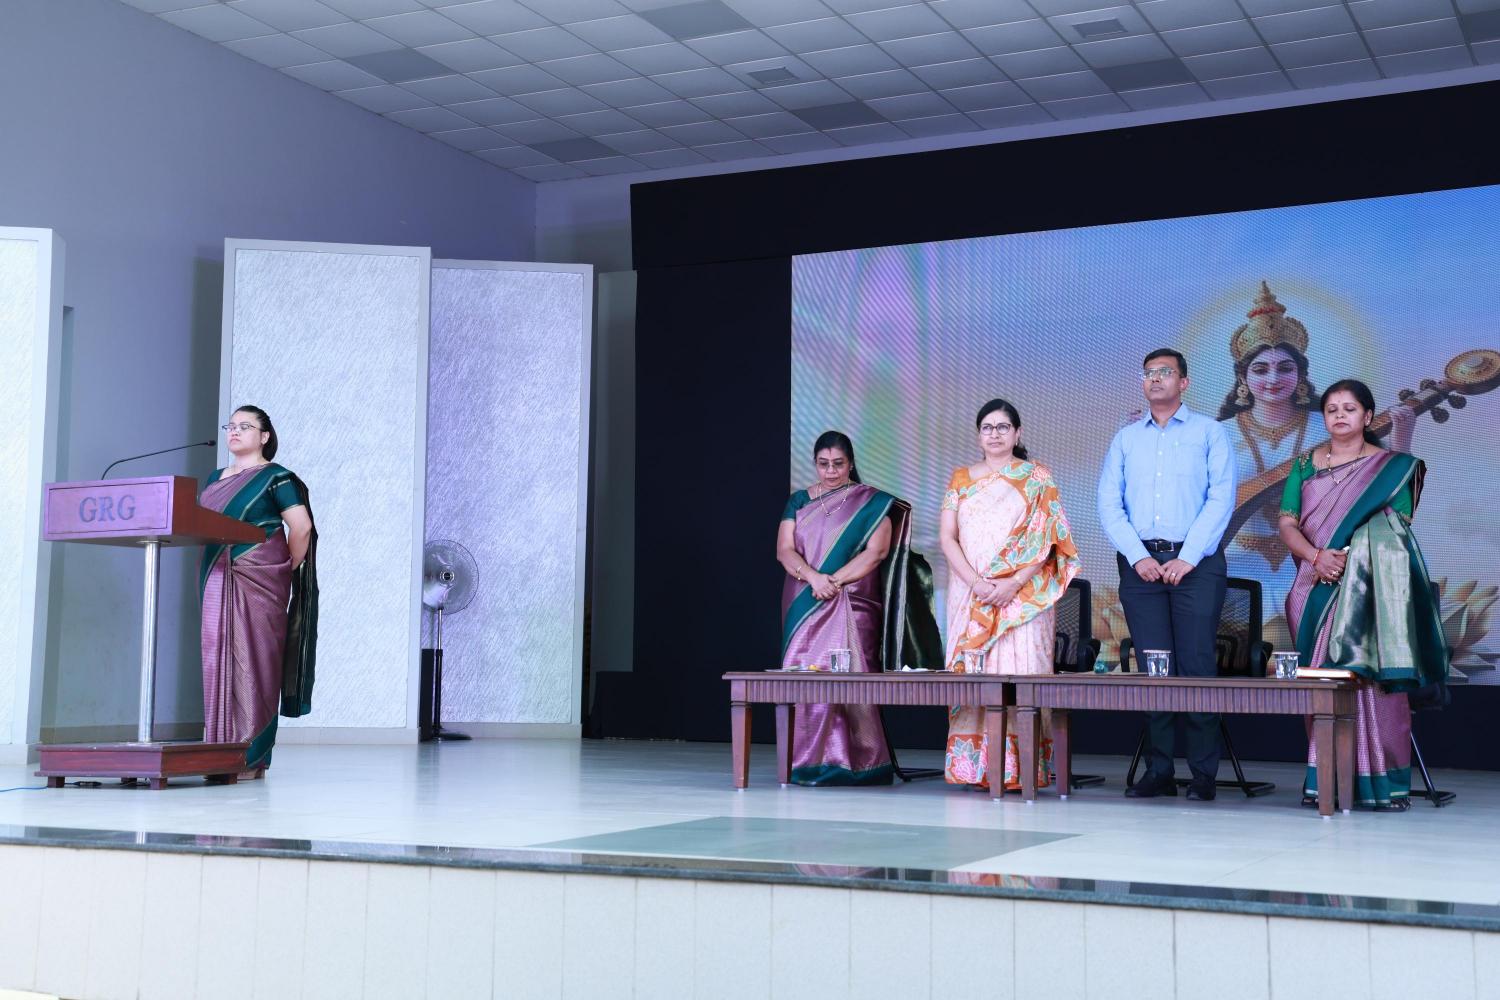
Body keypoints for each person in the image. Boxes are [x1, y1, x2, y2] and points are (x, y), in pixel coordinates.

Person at [1278, 379, 1448, 810]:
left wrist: (1349, 564)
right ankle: (1325, 780)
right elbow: (1287, 524)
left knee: (1372, 682)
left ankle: (1382, 785)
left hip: (1370, 590)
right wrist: (1317, 557)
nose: (1340, 415)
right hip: (1313, 587)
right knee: (1322, 684)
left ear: (1368, 416)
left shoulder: (1393, 467)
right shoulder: (1304, 465)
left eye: (1349, 408)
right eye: (1332, 409)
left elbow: (1396, 526)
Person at [1217, 283, 1413, 641]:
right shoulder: (1217, 435)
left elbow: (1382, 496)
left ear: (1301, 375)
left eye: (1285, 368)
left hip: (1316, 562)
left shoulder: (1329, 428)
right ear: (1243, 378)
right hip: (1238, 565)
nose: (1273, 379)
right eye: (1260, 370)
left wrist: (1402, 437)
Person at [1098, 349, 1236, 801]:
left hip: (1197, 564)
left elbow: (1221, 499)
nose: (1155, 379)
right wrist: (1139, 557)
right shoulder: (1125, 439)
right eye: (1149, 373)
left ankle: (1203, 774)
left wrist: (1188, 557)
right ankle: (1159, 771)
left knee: (1196, 664)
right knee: (1154, 665)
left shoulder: (1209, 433)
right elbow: (1109, 504)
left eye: (1165, 372)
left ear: (1184, 382)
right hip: (1142, 566)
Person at [777, 431, 938, 785]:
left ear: (850, 464)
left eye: (838, 464)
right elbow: (784, 550)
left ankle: (862, 763)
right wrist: (814, 578)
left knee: (850, 679)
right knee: (805, 678)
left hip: (851, 600)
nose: (831, 471)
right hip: (805, 601)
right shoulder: (799, 501)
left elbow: (877, 553)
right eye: (823, 464)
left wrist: (832, 581)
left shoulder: (871, 503)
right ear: (814, 464)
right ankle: (805, 762)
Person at [941, 399, 1080, 791]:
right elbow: (947, 538)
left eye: (1003, 427)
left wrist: (1013, 584)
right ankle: (976, 769)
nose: (995, 434)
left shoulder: (1038, 478)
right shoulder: (961, 478)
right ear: (978, 435)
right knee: (975, 679)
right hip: (971, 595)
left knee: (1024, 677)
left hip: (1024, 599)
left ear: (1017, 433)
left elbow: (1050, 541)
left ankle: (1023, 769)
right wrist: (977, 583)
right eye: (987, 427)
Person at [200, 405, 318, 777]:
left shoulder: (277, 478)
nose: (234, 431)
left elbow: (301, 527)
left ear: (264, 436)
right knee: (217, 655)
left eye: (245, 426)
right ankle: (218, 752)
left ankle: (251, 756)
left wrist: (287, 565)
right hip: (217, 574)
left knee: (255, 659)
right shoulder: (215, 478)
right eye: (231, 426)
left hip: (260, 578)